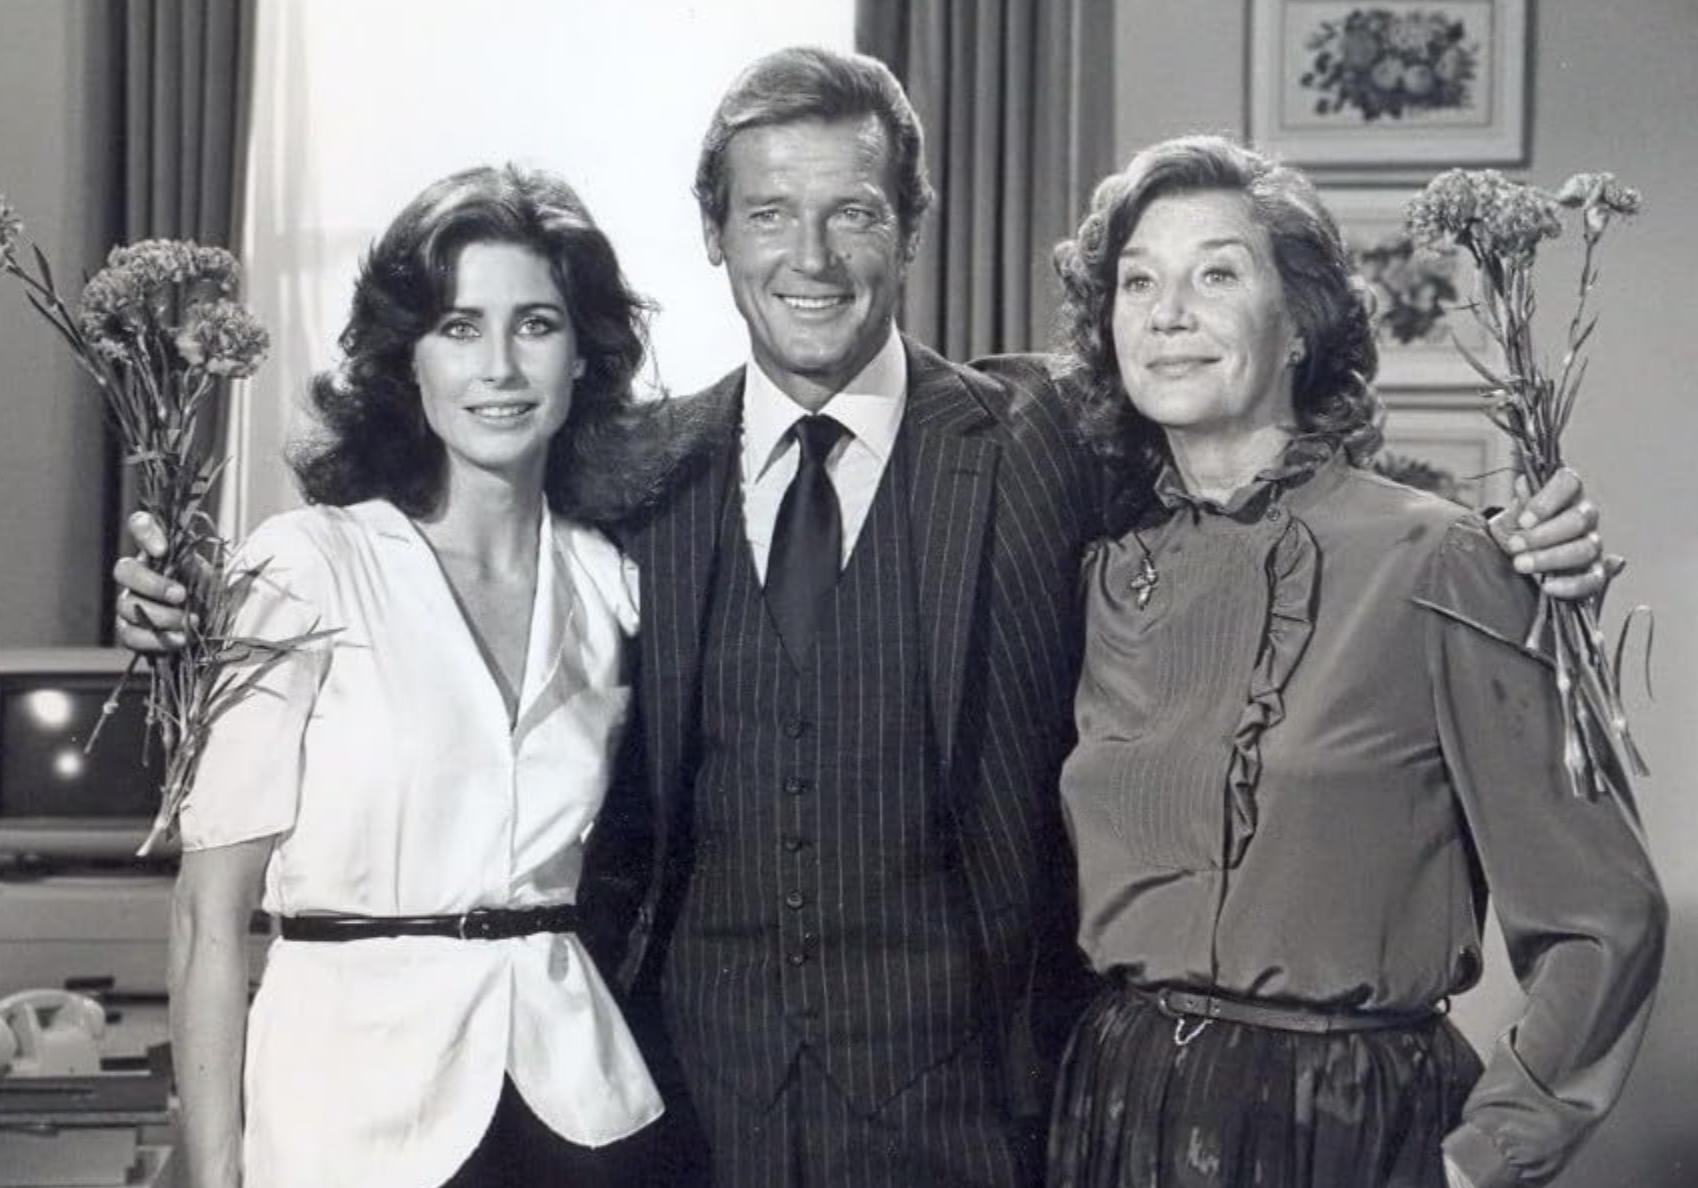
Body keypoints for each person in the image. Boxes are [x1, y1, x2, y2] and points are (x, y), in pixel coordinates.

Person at [119, 50, 1611, 1188]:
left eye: (852, 212)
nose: (811, 256)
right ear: (716, 235)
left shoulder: (1043, 438)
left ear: (910, 227)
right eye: (769, 214)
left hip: (984, 1124)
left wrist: (1511, 544)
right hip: (678, 1120)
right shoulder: (633, 474)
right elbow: (438, 532)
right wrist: (187, 613)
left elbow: (1261, 478)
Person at [1044, 134, 1666, 1188]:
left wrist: (1480, 1159)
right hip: (1115, 1110)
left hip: (1344, 1126)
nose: (1167, 314)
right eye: (1138, 282)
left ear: (1299, 324)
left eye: (1216, 275)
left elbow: (1604, 916)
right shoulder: (1103, 573)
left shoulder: (1442, 560)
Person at [162, 165, 672, 1188]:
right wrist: (215, 1172)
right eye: (458, 328)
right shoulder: (304, 567)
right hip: (347, 1118)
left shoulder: (610, 583)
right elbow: (206, 916)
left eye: (536, 325)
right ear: (408, 359)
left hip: (577, 1111)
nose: (500, 368)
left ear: (582, 356)